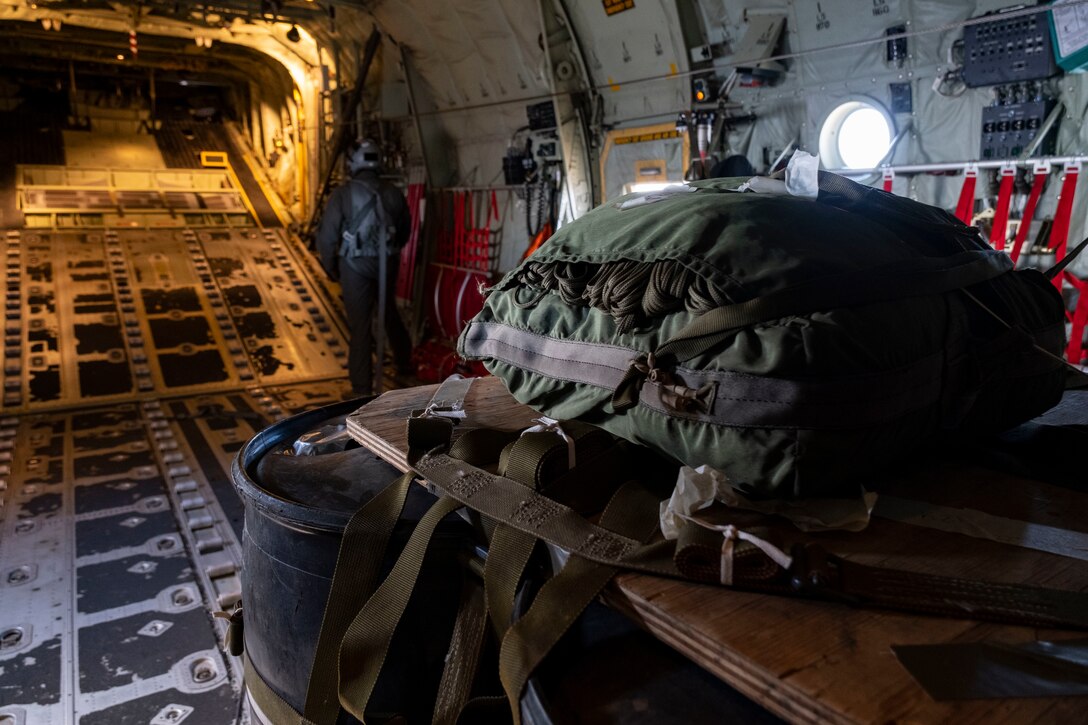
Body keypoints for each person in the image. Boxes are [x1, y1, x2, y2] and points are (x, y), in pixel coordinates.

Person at [316, 138, 412, 395]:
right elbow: (405, 231)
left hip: (354, 265)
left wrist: (331, 268)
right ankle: (404, 362)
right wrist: (389, 255)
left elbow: (327, 237)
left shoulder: (343, 194)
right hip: (386, 263)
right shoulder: (393, 192)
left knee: (360, 325)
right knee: (388, 310)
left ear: (353, 163)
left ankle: (361, 387)